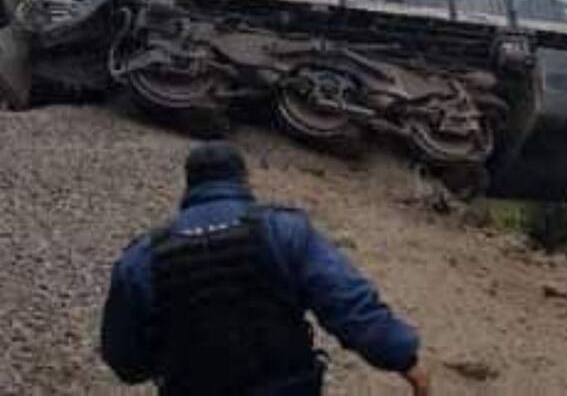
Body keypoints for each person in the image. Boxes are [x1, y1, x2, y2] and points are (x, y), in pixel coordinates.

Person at [100, 141, 432, 395]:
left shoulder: (142, 256)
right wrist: (403, 358)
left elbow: (124, 359)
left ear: (189, 186)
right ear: (244, 179)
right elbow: (347, 302)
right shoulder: (284, 230)